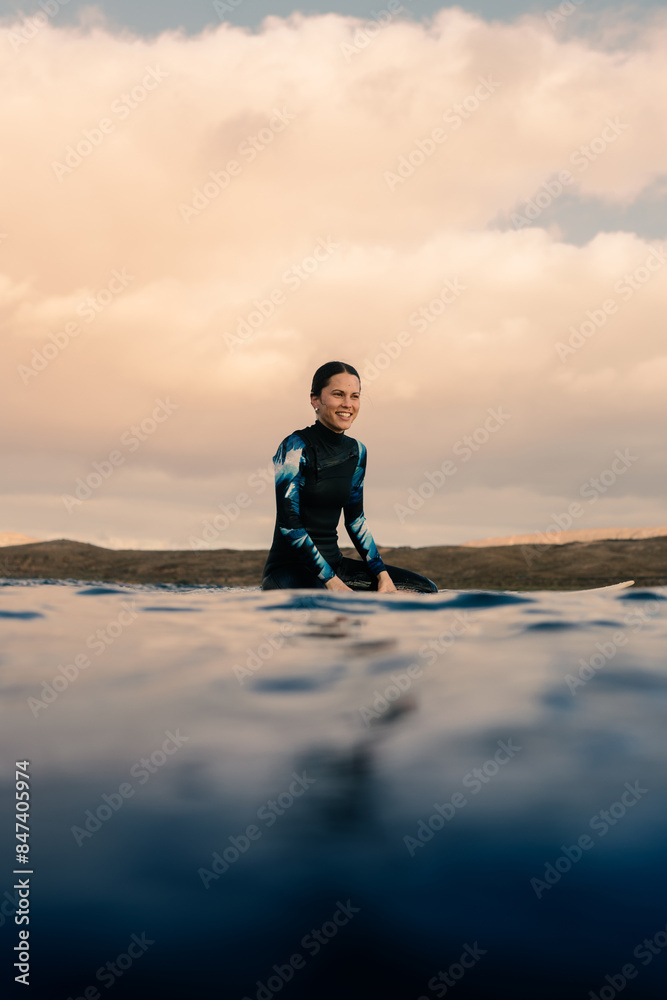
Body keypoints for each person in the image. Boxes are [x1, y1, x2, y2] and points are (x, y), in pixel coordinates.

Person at [261, 361, 438, 593]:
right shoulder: (295, 447)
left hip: (336, 566)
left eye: (354, 396)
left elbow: (355, 521)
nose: (347, 404)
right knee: (329, 600)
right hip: (289, 570)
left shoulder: (357, 452)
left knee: (425, 589)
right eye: (338, 394)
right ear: (315, 399)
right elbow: (289, 524)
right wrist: (331, 582)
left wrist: (382, 575)